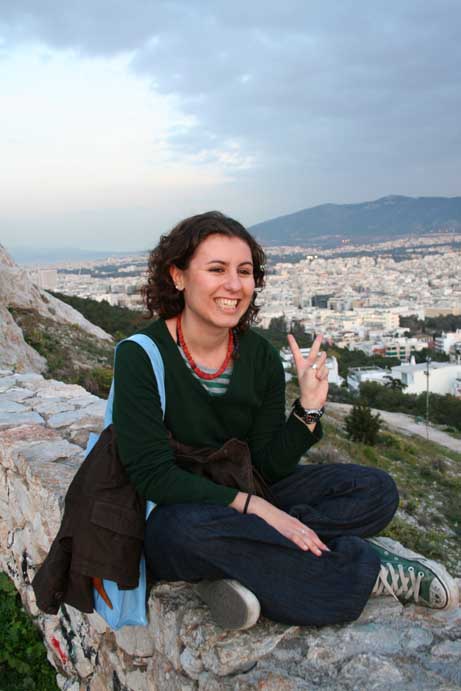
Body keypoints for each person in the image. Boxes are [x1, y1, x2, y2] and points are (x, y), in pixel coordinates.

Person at [112, 211, 458, 630]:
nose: (234, 285)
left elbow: (266, 466)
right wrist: (255, 507)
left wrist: (308, 409)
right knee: (182, 531)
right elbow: (152, 477)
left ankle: (240, 566)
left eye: (244, 271)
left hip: (245, 494)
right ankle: (362, 572)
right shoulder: (140, 354)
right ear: (178, 276)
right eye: (217, 269)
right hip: (180, 514)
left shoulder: (258, 355)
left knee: (376, 490)